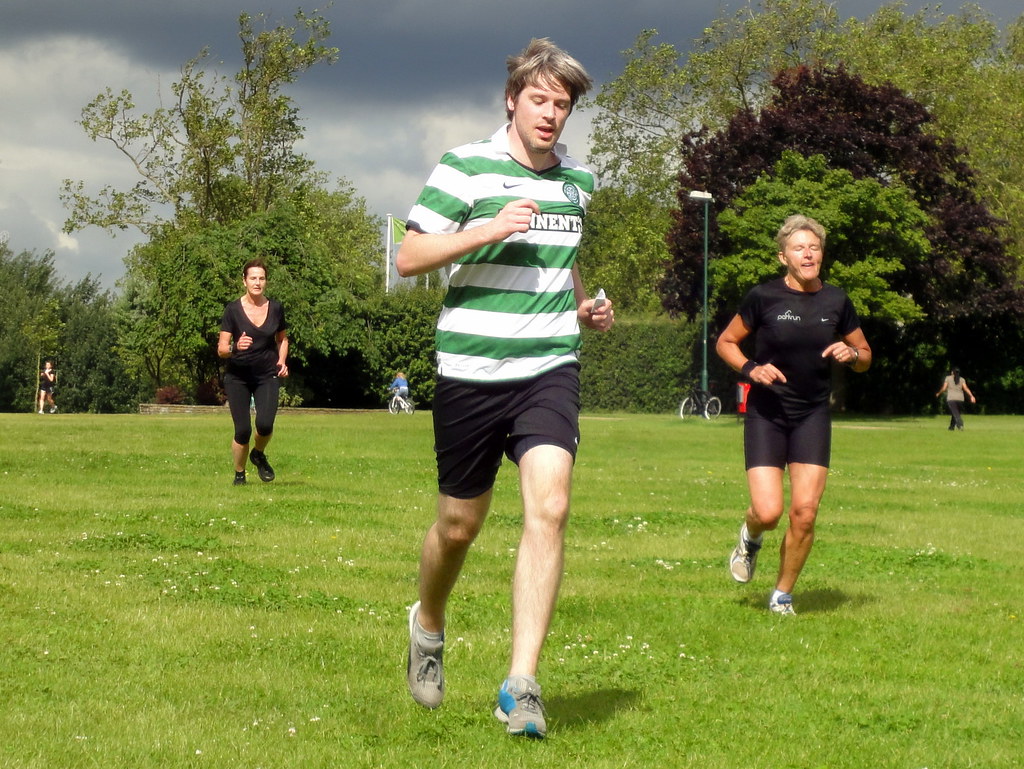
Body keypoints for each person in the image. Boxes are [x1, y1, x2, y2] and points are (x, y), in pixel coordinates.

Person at [396, 38, 613, 739]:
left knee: (549, 505)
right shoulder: (465, 166)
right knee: (459, 525)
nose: (552, 114)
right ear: (513, 99)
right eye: (541, 99)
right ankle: (427, 623)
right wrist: (486, 230)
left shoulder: (576, 182)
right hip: (471, 370)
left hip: (549, 365)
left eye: (564, 104)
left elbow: (564, 258)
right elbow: (409, 255)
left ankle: (521, 686)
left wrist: (584, 304)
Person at [715, 215, 871, 616]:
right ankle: (750, 537)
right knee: (768, 512)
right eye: (799, 248)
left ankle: (782, 594)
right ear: (783, 256)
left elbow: (866, 356)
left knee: (804, 512)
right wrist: (752, 369)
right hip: (767, 413)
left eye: (814, 247)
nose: (808, 253)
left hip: (812, 415)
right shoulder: (762, 298)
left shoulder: (837, 301)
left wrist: (851, 354)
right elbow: (726, 342)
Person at [217, 258, 289, 486]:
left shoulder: (276, 308)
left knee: (265, 425)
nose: (257, 282)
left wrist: (282, 361)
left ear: (266, 281)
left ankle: (258, 454)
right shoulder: (233, 310)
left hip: (266, 375)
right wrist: (235, 347)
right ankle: (240, 473)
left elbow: (283, 338)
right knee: (243, 430)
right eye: (253, 278)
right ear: (244, 281)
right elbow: (221, 349)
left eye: (262, 278)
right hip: (237, 377)